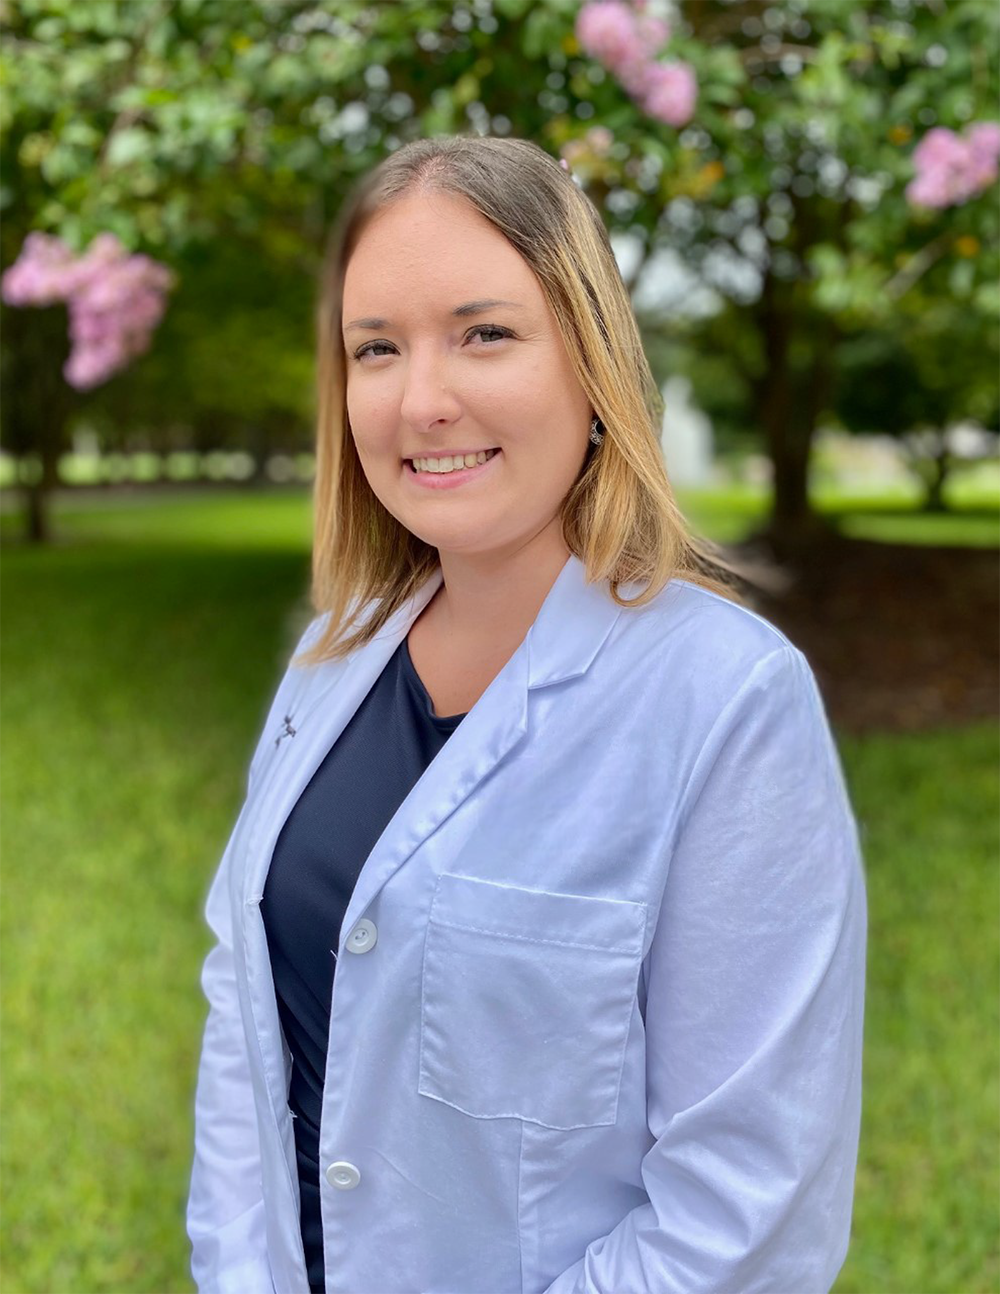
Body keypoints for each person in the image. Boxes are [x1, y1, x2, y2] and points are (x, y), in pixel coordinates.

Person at [187, 134, 867, 1294]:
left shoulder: (727, 703)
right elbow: (242, 1024)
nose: (421, 398)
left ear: (592, 366)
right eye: (376, 349)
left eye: (484, 333)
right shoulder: (330, 656)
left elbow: (747, 1211)